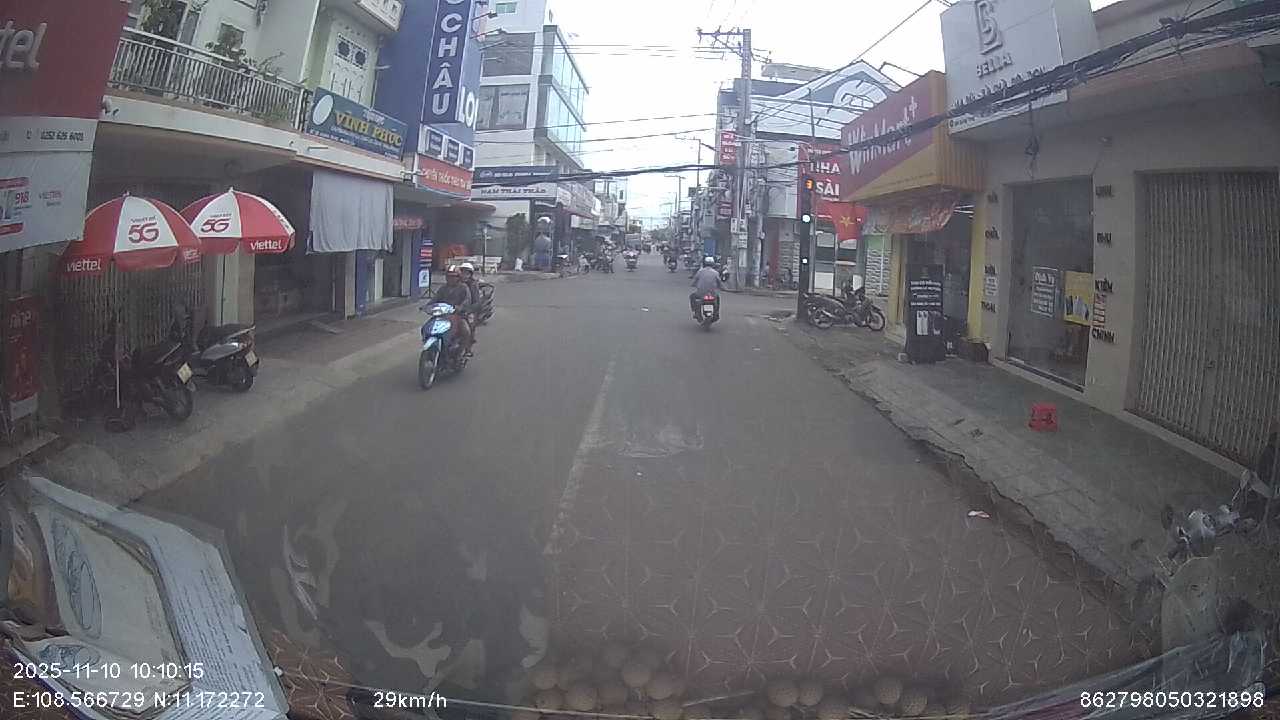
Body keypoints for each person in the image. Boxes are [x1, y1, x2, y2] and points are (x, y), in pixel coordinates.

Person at [430, 267, 474, 354]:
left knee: (466, 331)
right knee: (429, 327)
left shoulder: (463, 287)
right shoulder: (443, 288)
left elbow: (467, 300)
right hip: (443, 315)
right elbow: (435, 298)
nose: (451, 279)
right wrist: (427, 306)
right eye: (449, 276)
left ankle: (462, 352)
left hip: (458, 316)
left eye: (454, 276)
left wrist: (460, 307)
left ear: (458, 277)